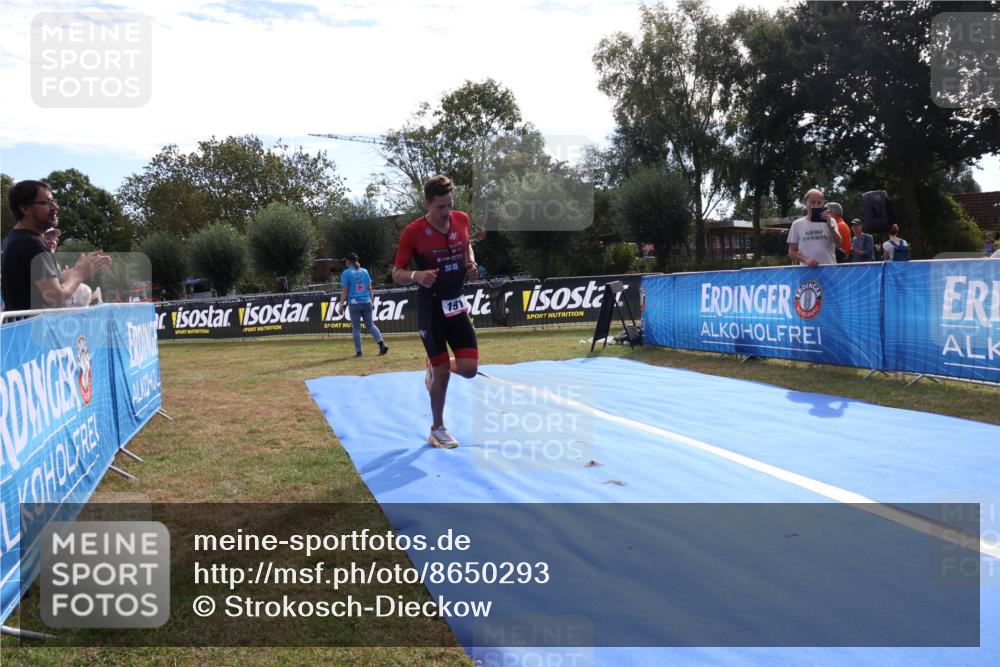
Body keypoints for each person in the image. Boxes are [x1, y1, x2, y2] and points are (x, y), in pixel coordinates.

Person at [392, 175, 478, 449]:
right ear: (428, 203)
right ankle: (437, 428)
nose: (446, 212)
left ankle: (433, 365)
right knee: (443, 373)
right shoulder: (413, 232)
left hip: (456, 304)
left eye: (449, 205)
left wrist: (471, 262)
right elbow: (397, 273)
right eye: (441, 207)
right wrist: (417, 275)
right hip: (431, 308)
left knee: (469, 369)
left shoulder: (462, 220)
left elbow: (466, 244)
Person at [1, 180, 111, 311]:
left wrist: (64, 277)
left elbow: (28, 288)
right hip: (36, 329)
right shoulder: (32, 243)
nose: (55, 207)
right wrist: (80, 273)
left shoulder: (12, 240)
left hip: (21, 329)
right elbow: (55, 298)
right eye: (46, 203)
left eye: (53, 201)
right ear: (25, 209)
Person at [336, 252, 388, 357]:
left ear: (349, 261)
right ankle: (382, 344)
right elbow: (370, 289)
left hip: (354, 303)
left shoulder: (346, 273)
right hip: (367, 301)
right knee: (371, 325)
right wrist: (372, 302)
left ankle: (359, 352)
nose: (345, 262)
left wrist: (341, 304)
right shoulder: (365, 271)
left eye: (346, 260)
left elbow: (345, 291)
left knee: (356, 328)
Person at [787, 188, 841, 267]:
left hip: (829, 270)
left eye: (819, 203)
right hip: (807, 271)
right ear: (806, 203)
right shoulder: (797, 224)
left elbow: (839, 244)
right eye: (812, 202)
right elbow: (792, 252)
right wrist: (805, 259)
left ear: (823, 204)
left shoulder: (831, 221)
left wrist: (830, 227)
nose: (815, 205)